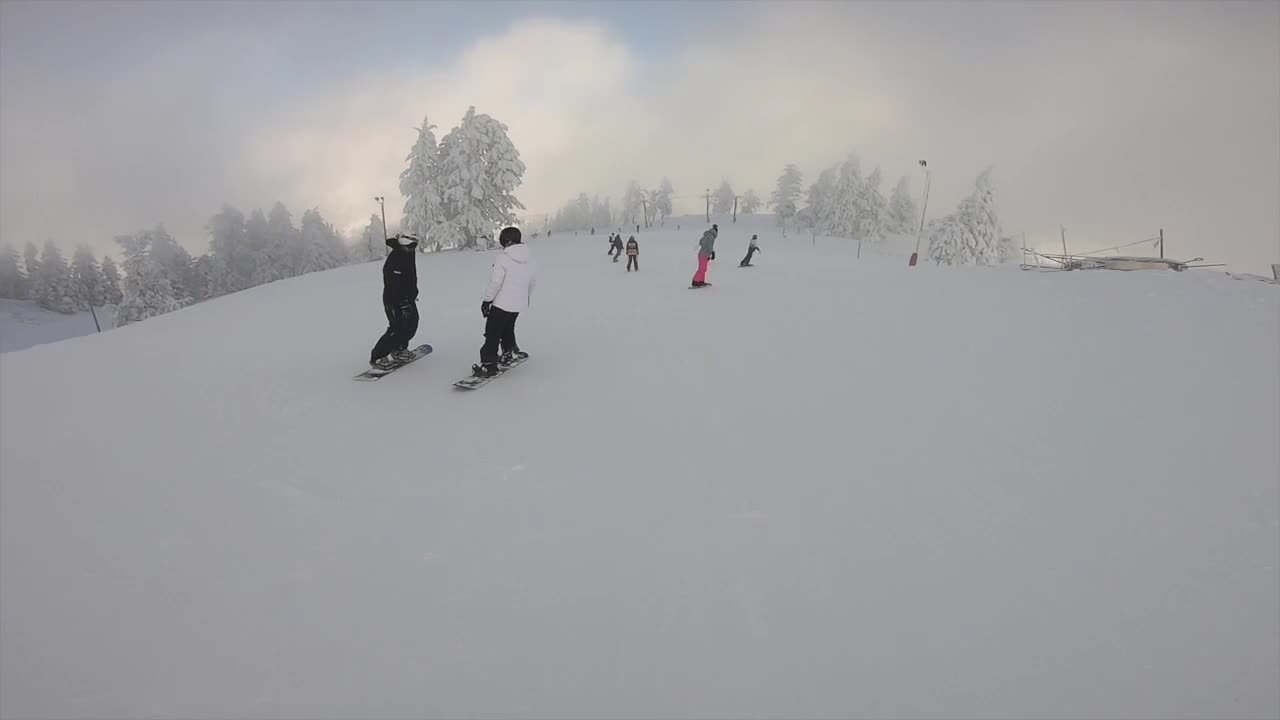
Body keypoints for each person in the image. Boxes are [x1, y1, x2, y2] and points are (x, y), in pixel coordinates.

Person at [474, 226, 536, 377]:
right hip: (518, 303)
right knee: (508, 327)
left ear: (507, 241)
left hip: (502, 303)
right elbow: (532, 282)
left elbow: (495, 282)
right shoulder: (529, 258)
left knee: (492, 332)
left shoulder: (503, 258)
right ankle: (510, 351)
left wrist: (486, 301)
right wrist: (523, 297)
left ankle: (489, 364)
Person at [369, 233, 420, 369]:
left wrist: (412, 293)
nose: (413, 248)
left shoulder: (408, 253)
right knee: (397, 327)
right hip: (394, 299)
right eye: (411, 245)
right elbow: (392, 281)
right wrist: (400, 298)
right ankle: (378, 356)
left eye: (414, 245)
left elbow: (410, 276)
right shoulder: (396, 257)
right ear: (404, 243)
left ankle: (399, 349)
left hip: (407, 298)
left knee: (411, 323)